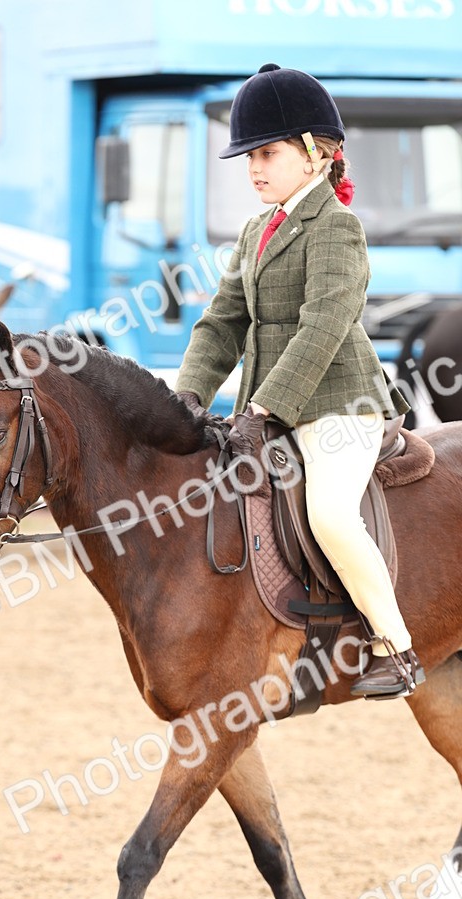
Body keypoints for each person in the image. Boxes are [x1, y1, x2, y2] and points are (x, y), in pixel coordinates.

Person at [175, 63, 423, 701]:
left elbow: (324, 326)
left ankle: (395, 647)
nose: (253, 167)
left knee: (331, 515)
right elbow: (223, 321)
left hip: (341, 405)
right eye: (248, 157)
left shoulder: (338, 227)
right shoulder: (257, 231)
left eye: (267, 153)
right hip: (269, 404)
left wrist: (263, 408)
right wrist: (188, 395)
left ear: (317, 153)